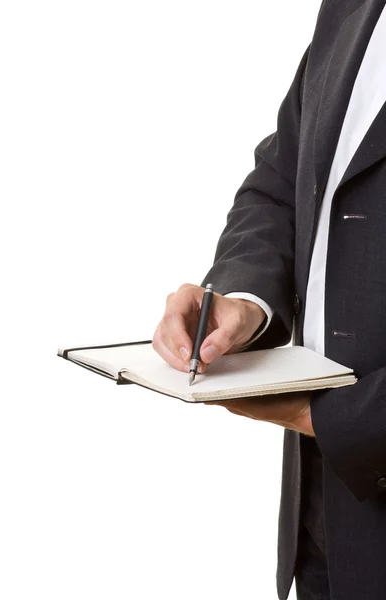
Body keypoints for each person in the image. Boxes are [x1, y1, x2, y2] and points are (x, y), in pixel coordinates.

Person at [152, 0, 386, 598]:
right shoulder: (351, 8)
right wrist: (244, 300)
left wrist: (329, 418)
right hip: (324, 516)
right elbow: (282, 181)